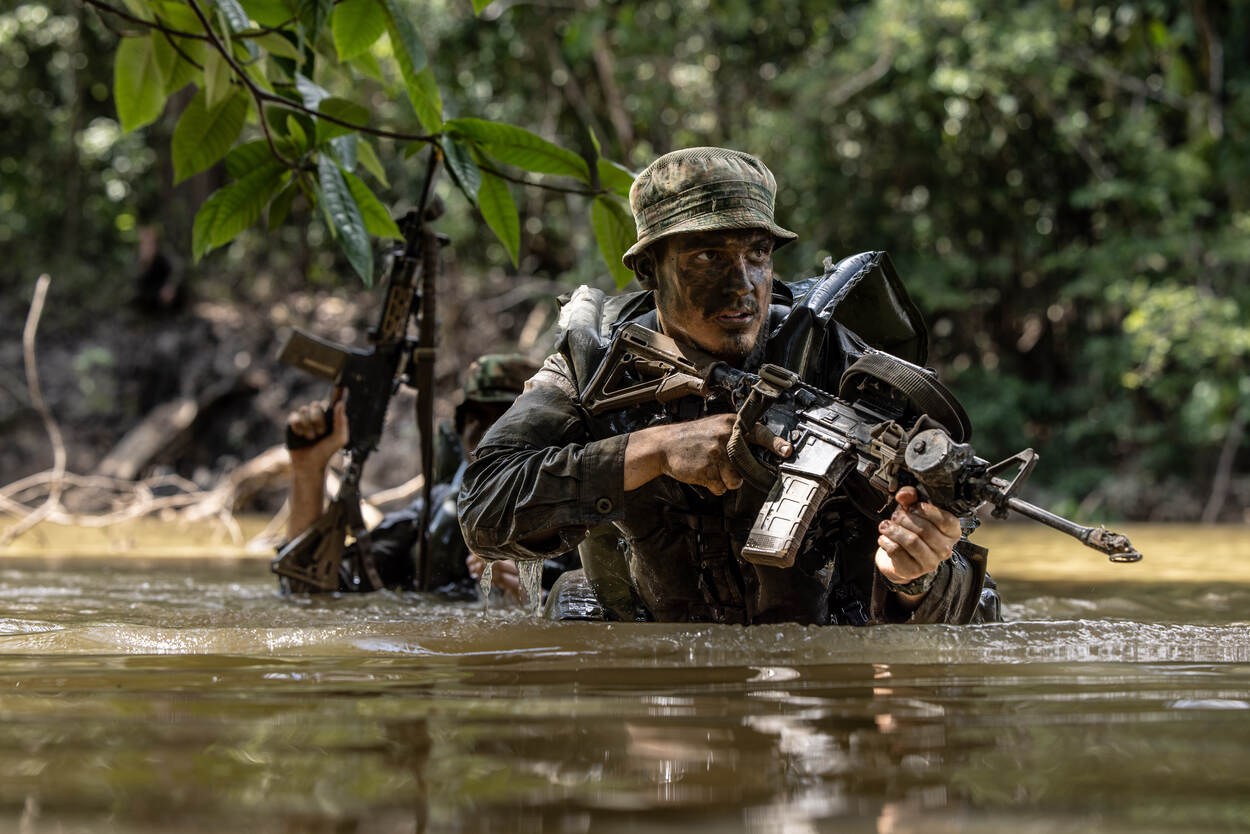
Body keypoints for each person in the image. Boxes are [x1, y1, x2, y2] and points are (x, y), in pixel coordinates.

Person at [457, 147, 1000, 624]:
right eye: (708, 258)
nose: (742, 286)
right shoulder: (591, 365)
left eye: (756, 255)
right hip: (649, 677)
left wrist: (915, 579)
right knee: (572, 603)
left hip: (812, 671)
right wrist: (652, 450)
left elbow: (970, 589)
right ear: (649, 270)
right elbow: (483, 507)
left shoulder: (840, 364)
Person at [285, 353, 577, 599]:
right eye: (475, 418)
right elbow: (309, 588)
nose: (488, 434)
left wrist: (538, 600)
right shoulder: (431, 516)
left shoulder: (585, 514)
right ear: (460, 431)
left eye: (505, 418)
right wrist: (308, 470)